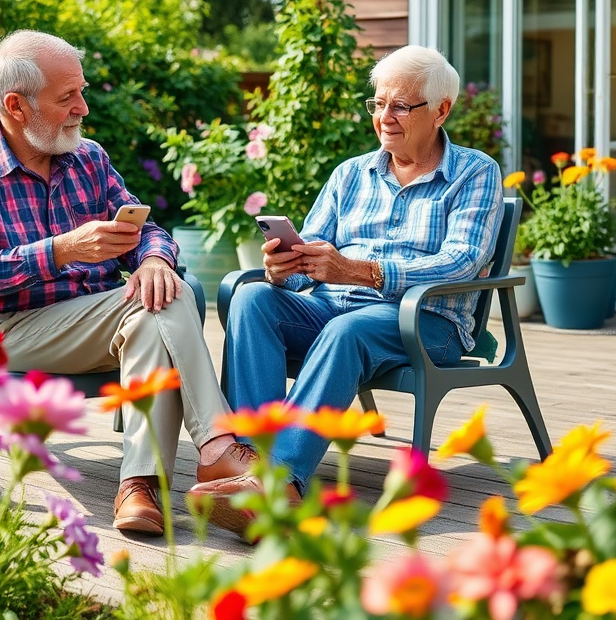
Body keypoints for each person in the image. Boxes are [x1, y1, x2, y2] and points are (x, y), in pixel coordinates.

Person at [0, 29, 255, 537]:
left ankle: (140, 487)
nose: (83, 107)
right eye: (67, 97)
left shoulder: (89, 158)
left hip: (97, 321)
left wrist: (153, 260)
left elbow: (148, 230)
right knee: (167, 302)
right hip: (4, 331)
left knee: (158, 301)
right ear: (16, 105)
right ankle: (217, 448)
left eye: (81, 91)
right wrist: (61, 250)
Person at [188, 45, 504, 535]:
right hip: (335, 308)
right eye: (377, 104)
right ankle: (246, 466)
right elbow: (308, 265)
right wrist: (283, 267)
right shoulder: (351, 174)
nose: (385, 117)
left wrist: (362, 272)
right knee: (252, 299)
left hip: (425, 320)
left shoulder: (474, 172)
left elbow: (460, 260)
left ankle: (282, 485)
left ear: (442, 110)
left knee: (346, 330)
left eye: (400, 105)